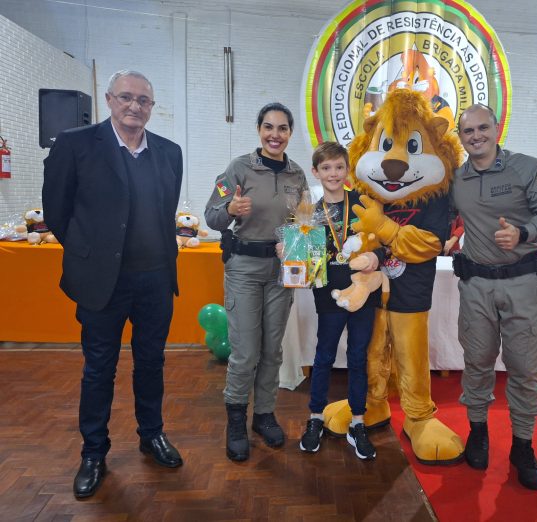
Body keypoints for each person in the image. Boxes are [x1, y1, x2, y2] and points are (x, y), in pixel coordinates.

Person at [42, 70, 184, 499]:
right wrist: (90, 254)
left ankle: (151, 434)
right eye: (126, 97)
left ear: (151, 107)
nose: (134, 106)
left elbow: (166, 210)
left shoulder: (169, 152)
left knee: (152, 362)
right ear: (108, 99)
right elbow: (57, 212)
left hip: (156, 278)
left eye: (143, 100)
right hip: (102, 281)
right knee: (99, 367)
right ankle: (93, 453)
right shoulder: (76, 144)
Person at [450, 104, 537, 490]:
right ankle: (478, 432)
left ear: (496, 128)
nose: (476, 136)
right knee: (477, 363)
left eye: (482, 128)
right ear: (460, 136)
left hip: (522, 284)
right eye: (468, 131)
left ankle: (523, 446)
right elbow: (432, 213)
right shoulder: (457, 178)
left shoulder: (528, 168)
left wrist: (523, 232)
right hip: (476, 286)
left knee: (524, 369)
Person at [204, 103, 308, 462]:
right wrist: (230, 210)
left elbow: (304, 224)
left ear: (290, 133)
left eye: (282, 128)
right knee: (246, 351)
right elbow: (211, 216)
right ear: (259, 129)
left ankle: (263, 415)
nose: (275, 135)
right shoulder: (238, 168)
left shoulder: (297, 175)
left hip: (281, 271)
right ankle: (236, 420)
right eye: (268, 127)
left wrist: (297, 244)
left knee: (272, 350)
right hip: (244, 269)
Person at [298, 142, 382, 460]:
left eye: (338, 167)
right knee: (324, 356)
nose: (333, 173)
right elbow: (303, 259)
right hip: (328, 294)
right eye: (326, 168)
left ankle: (357, 422)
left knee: (358, 357)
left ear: (347, 170)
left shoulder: (362, 204)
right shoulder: (310, 213)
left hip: (363, 294)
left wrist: (376, 255)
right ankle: (315, 417)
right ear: (315, 172)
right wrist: (290, 253)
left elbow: (383, 241)